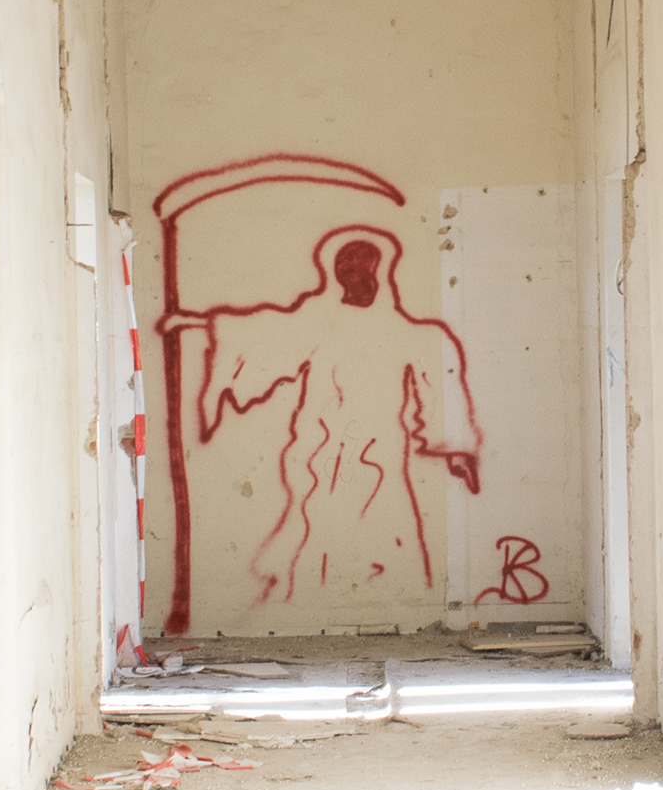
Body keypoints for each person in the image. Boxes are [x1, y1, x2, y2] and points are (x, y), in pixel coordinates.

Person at [162, 224, 482, 610]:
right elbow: (262, 330)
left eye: (363, 269)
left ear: (381, 271)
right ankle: (317, 595)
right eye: (347, 269)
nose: (356, 278)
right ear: (335, 273)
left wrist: (457, 450)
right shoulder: (316, 321)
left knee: (382, 523)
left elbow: (438, 386)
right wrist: (194, 322)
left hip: (379, 455)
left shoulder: (408, 331)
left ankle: (390, 596)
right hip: (319, 453)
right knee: (316, 522)